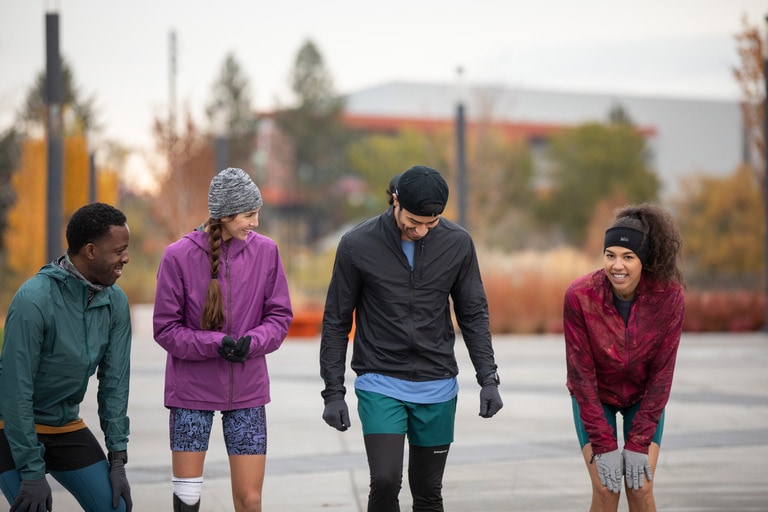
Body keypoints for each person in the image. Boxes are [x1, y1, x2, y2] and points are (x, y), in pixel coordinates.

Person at [320, 165, 503, 511]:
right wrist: (333, 392)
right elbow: (336, 321)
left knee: (428, 491)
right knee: (385, 480)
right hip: (380, 380)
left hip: (437, 384)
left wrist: (488, 379)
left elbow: (473, 314)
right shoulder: (357, 244)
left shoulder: (457, 243)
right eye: (413, 221)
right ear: (396, 201)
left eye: (430, 224)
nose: (420, 231)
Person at [153, 167, 293, 512]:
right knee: (188, 499)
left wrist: (252, 342)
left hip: (247, 391)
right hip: (191, 393)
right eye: (249, 215)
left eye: (257, 213)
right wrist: (215, 344)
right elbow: (166, 329)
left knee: (250, 500)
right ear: (226, 215)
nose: (255, 223)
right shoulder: (177, 256)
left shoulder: (267, 251)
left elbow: (279, 317)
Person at [0, 202, 133, 512]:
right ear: (90, 251)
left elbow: (114, 384)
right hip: (10, 427)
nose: (126, 257)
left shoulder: (115, 302)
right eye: (119, 251)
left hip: (63, 425)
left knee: (115, 507)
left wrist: (117, 458)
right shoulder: (34, 300)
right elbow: (15, 391)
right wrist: (31, 472)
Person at [563, 203, 685, 512]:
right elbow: (581, 377)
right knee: (606, 489)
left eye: (628, 257)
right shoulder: (580, 296)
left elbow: (662, 374)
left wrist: (639, 442)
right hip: (595, 396)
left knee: (640, 487)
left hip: (643, 397)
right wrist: (604, 446)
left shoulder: (669, 297)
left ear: (644, 259)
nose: (617, 265)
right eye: (610, 255)